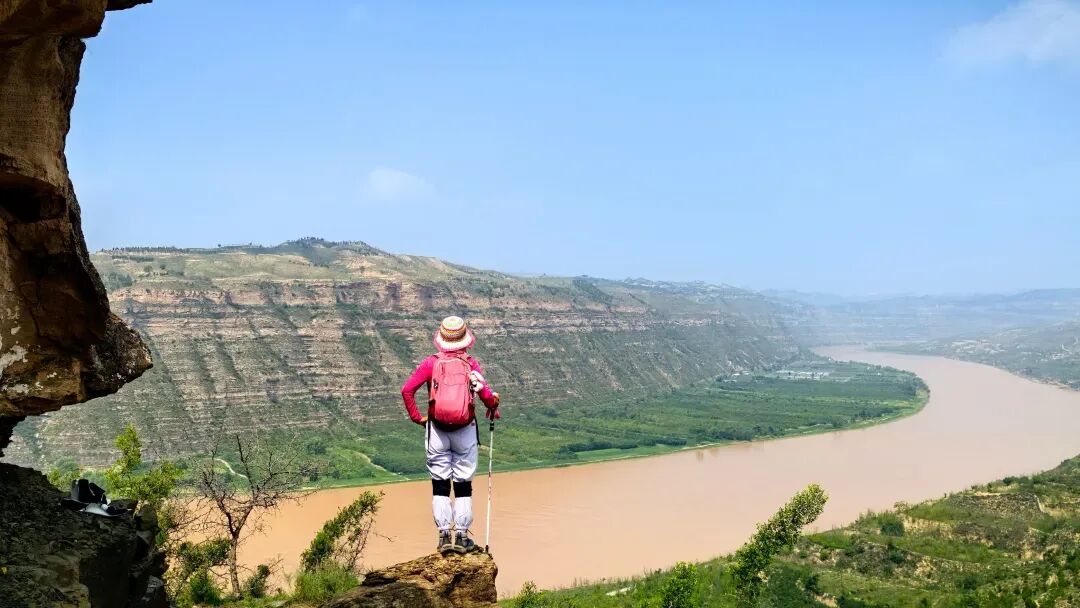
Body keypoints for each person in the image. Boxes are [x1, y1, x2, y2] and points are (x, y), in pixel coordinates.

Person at [401, 315, 501, 554]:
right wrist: (494, 403)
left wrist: (418, 418)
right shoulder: (471, 365)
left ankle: (444, 536)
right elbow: (486, 396)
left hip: (436, 430)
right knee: (463, 485)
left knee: (440, 484)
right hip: (465, 430)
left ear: (441, 339)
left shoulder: (431, 363)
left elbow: (407, 390)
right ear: (465, 339)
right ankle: (462, 537)